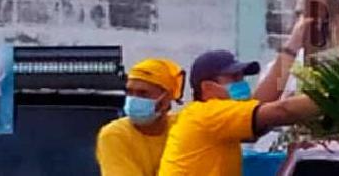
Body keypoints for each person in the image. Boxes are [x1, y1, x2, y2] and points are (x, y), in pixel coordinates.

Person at [158, 15, 319, 176]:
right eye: (234, 78)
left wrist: (291, 48)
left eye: (242, 77)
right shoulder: (209, 114)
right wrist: (330, 99)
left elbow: (261, 103)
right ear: (208, 88)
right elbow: (281, 111)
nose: (241, 83)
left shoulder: (214, 119)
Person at [96, 58, 185, 176]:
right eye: (129, 92)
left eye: (143, 93)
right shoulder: (115, 135)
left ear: (166, 99)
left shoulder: (184, 129)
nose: (133, 99)